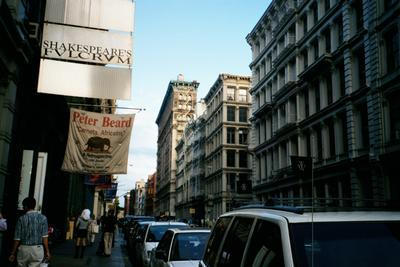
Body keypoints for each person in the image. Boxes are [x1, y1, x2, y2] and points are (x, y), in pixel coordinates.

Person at [8, 197, 51, 267]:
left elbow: (17, 238)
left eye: (23, 206)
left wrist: (13, 253)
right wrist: (47, 251)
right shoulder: (43, 218)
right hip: (37, 249)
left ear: (26, 206)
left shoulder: (21, 219)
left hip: (23, 248)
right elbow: (45, 237)